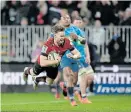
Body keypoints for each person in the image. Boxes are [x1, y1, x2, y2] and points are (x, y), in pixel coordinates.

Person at [23, 24, 81, 106]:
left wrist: (73, 56)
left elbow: (78, 54)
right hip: (42, 62)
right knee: (33, 73)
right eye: (61, 36)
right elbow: (43, 62)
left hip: (54, 65)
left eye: (63, 36)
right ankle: (26, 71)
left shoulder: (67, 42)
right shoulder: (48, 44)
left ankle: (37, 80)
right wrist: (55, 61)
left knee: (49, 82)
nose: (62, 38)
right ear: (55, 35)